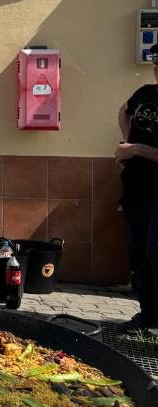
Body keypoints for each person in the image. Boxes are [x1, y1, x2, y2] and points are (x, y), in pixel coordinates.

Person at [116, 43, 158, 335]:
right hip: (137, 189)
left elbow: (142, 149)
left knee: (157, 253)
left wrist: (137, 149)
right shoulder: (146, 93)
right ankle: (148, 316)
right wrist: (126, 141)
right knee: (142, 254)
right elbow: (124, 110)